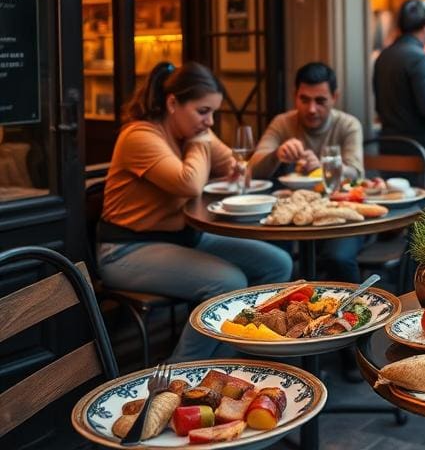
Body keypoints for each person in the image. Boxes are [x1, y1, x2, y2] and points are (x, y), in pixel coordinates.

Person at [98, 62, 293, 362]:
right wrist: (202, 144)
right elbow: (188, 183)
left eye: (214, 112)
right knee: (228, 282)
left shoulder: (191, 133)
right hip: (127, 250)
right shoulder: (140, 136)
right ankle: (182, 373)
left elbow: (240, 167)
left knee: (277, 264)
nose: (210, 122)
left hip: (185, 239)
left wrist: (230, 162)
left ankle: (229, 359)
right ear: (173, 103)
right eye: (203, 112)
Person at [249, 62, 365, 281]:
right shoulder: (282, 123)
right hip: (292, 215)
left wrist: (324, 168)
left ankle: (358, 311)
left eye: (320, 101)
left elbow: (357, 174)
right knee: (272, 258)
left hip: (340, 211)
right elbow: (253, 171)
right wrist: (276, 154)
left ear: (335, 97)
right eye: (305, 99)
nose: (312, 109)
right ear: (295, 96)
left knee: (338, 258)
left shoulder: (348, 125)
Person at [373, 0, 425, 198]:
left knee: (395, 205)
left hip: (389, 146)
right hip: (419, 149)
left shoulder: (384, 56)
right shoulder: (420, 59)